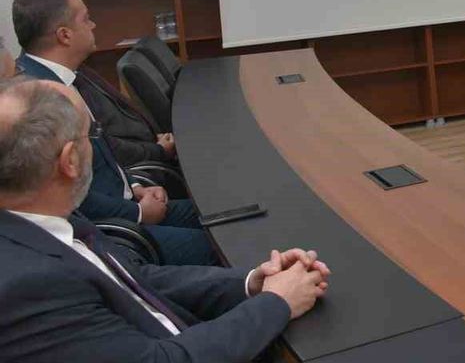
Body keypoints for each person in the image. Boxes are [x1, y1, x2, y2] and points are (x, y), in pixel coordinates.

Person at [0, 77, 330, 362]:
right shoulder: (25, 285)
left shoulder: (43, 219)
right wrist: (276, 303)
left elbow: (137, 279)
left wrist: (252, 283)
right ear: (70, 160)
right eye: (91, 135)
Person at [13, 0, 176, 165]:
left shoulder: (70, 70)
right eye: (86, 19)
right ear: (65, 35)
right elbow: (103, 150)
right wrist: (158, 151)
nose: (93, 25)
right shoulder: (42, 98)